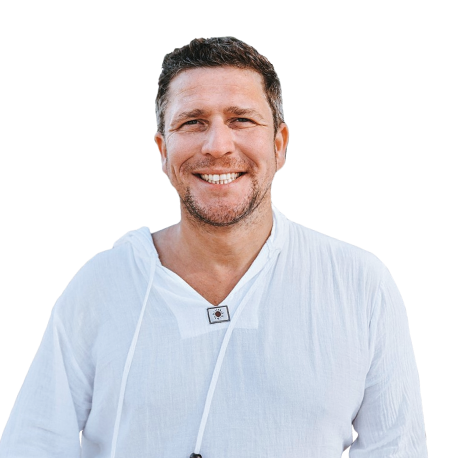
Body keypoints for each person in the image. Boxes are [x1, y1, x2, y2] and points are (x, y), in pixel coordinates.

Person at [0, 36, 427, 458]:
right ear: (163, 151)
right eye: (193, 122)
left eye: (241, 119)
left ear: (279, 145)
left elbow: (397, 449)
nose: (217, 146)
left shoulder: (358, 284)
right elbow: (33, 443)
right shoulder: (101, 284)